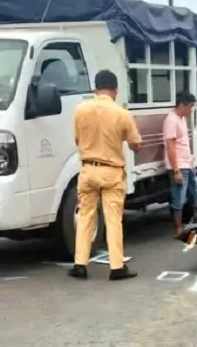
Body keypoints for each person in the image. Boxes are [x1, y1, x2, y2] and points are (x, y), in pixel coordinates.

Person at [69, 69, 141, 281]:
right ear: (115, 90)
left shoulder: (80, 110)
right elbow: (136, 144)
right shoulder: (122, 113)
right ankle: (117, 267)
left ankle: (80, 264)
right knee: (113, 220)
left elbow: (77, 140)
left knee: (85, 217)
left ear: (95, 89)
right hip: (111, 172)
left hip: (88, 169)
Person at [164, 91, 197, 238]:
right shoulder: (171, 120)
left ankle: (196, 224)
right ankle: (178, 230)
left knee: (196, 194)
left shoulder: (182, 118)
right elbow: (170, 146)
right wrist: (176, 170)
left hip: (187, 164)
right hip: (179, 165)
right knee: (179, 198)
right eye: (190, 107)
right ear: (181, 105)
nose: (190, 110)